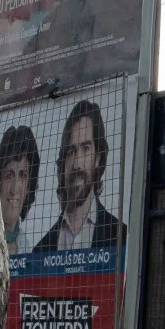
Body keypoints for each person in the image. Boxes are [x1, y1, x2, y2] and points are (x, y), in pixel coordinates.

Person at [32, 99, 123, 252]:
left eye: (86, 148)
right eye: (71, 152)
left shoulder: (121, 236)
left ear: (98, 158)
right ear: (63, 164)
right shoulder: (41, 249)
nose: (77, 164)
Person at [0, 123, 41, 249]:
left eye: (23, 175)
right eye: (9, 176)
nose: (15, 189)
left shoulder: (24, 245)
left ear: (29, 186)